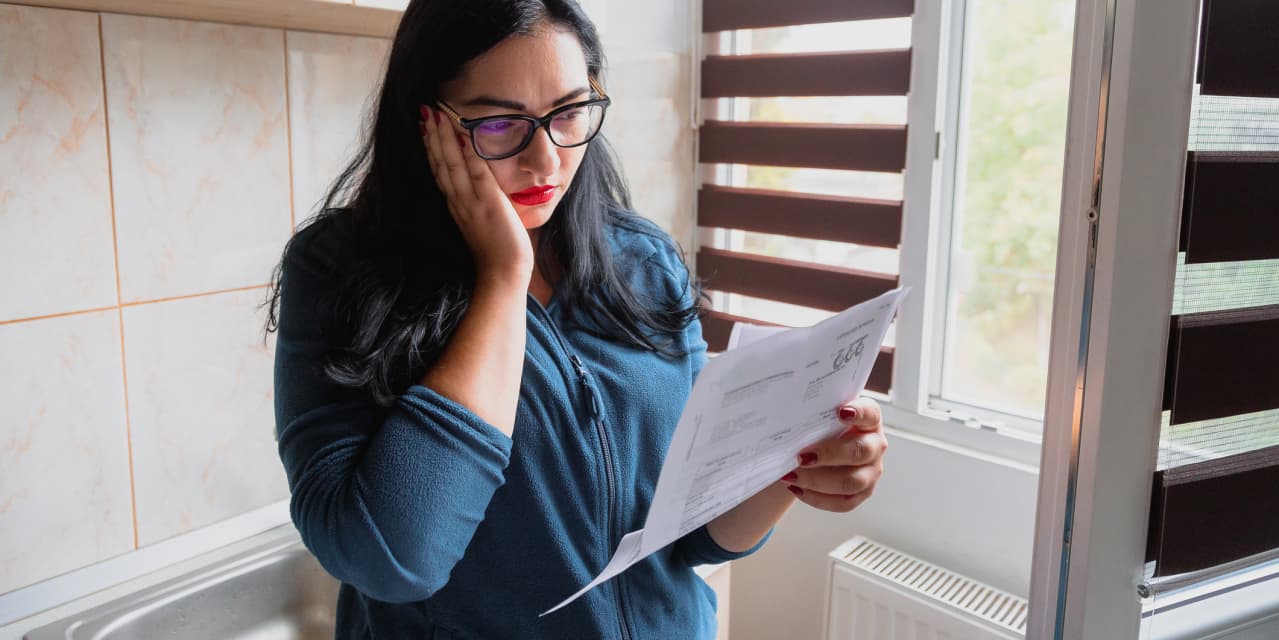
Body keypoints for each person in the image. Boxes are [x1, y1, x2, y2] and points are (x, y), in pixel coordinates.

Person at [265, 0, 888, 637]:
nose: (546, 161)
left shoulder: (641, 260)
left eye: (568, 112)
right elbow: (394, 560)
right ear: (427, 123)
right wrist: (503, 278)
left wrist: (796, 467)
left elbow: (692, 535)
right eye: (501, 124)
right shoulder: (340, 273)